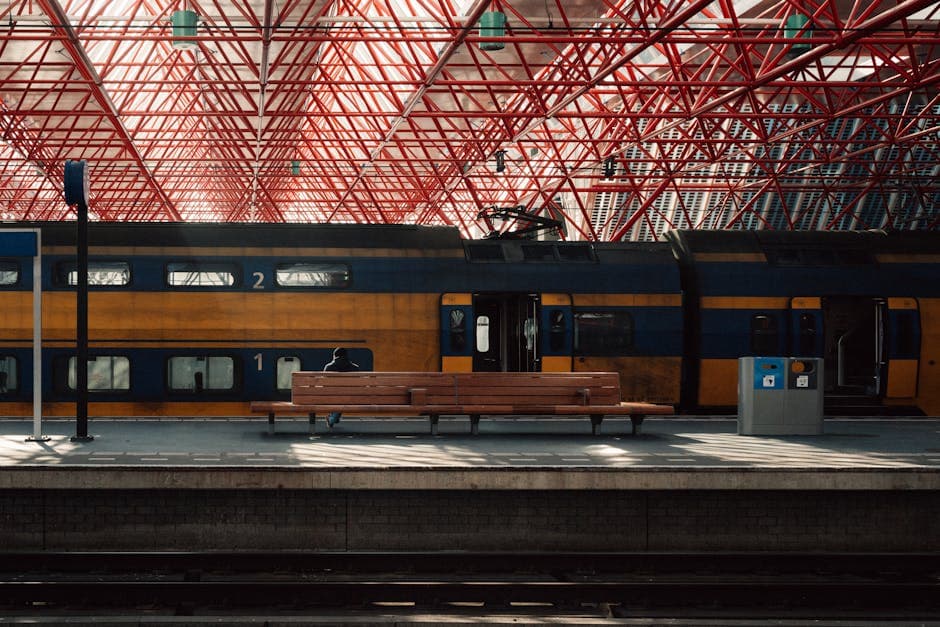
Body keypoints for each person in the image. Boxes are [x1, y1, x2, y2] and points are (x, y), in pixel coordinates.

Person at [323, 347, 359, 427]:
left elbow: (324, 386)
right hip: (352, 397)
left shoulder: (329, 367)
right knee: (343, 397)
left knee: (338, 397)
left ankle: (332, 419)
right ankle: (333, 418)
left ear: (334, 356)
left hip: (332, 397)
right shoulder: (355, 368)